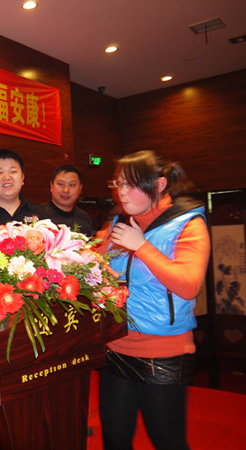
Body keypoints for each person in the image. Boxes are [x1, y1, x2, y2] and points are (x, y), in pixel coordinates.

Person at [97, 150, 210, 449]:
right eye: (118, 183)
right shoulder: (118, 223)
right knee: (114, 439)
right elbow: (92, 266)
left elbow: (188, 285)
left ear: (159, 184)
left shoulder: (186, 224)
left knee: (168, 441)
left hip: (164, 352)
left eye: (130, 184)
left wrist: (141, 246)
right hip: (116, 345)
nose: (121, 192)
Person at [43, 164, 94, 236]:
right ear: (51, 186)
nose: (66, 190)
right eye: (61, 184)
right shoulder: (38, 215)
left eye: (72, 185)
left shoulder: (85, 219)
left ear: (80, 188)